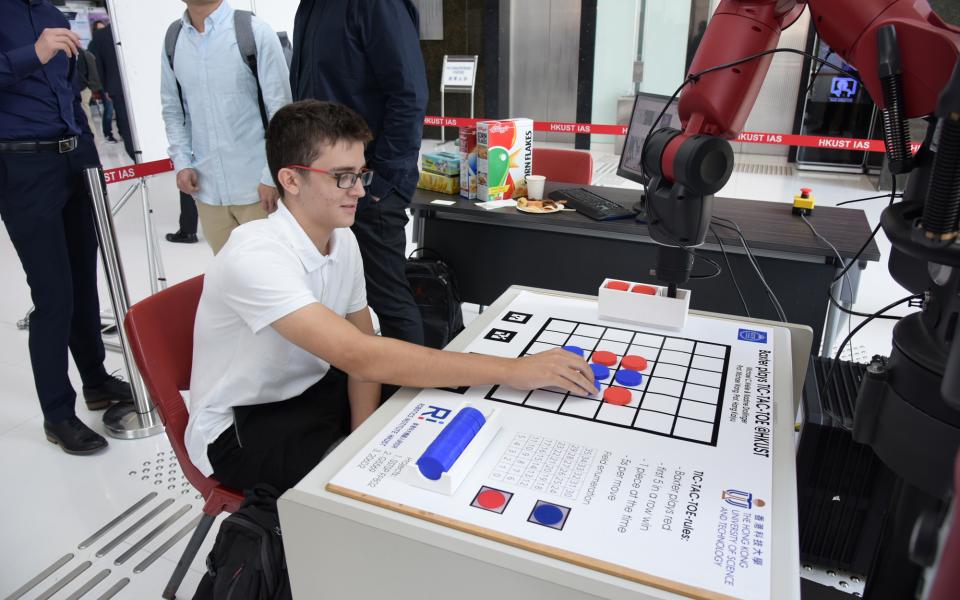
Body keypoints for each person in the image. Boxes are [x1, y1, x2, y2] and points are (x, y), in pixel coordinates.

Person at [187, 101, 597, 492]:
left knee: (431, 416)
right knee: (386, 484)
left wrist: (361, 437)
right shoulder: (255, 255)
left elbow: (365, 348)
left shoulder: (342, 240)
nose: (359, 192)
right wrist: (514, 369)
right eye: (342, 177)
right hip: (242, 425)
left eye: (360, 175)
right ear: (291, 180)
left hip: (313, 390)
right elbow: (360, 357)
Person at [0, 0, 132, 455]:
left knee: (83, 282)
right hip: (21, 163)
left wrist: (89, 155)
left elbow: (68, 91)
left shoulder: (54, 14)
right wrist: (30, 54)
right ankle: (57, 413)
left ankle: (96, 381)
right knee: (53, 294)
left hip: (74, 158)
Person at [291, 0, 428, 347]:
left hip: (368, 186)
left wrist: (380, 181)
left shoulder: (376, 4)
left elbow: (409, 94)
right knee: (335, 297)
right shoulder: (310, 7)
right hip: (322, 186)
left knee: (389, 301)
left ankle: (413, 396)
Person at [161, 0, 292, 254]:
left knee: (274, 280)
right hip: (208, 192)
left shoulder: (253, 32)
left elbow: (282, 112)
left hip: (259, 191)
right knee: (232, 284)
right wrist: (182, 163)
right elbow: (174, 108)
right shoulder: (173, 40)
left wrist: (271, 175)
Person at [88, 21, 133, 159]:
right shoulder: (130, 28)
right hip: (133, 84)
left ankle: (135, 156)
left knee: (125, 123)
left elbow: (97, 65)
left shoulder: (100, 37)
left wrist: (104, 87)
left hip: (115, 86)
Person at [89, 20, 118, 143]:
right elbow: (96, 67)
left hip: (113, 82)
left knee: (116, 109)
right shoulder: (93, 45)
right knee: (109, 109)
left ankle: (120, 132)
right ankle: (108, 133)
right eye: (99, 29)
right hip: (103, 83)